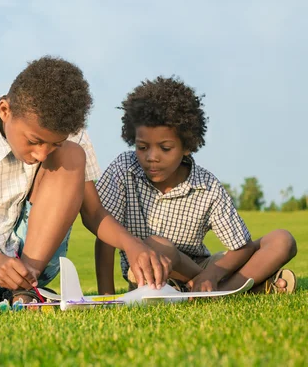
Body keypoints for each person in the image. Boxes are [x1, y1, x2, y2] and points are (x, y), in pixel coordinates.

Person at [0, 56, 170, 304]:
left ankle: (24, 288)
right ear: (5, 110)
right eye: (34, 141)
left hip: (35, 265)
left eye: (53, 144)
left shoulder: (72, 134)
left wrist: (132, 246)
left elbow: (93, 213)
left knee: (70, 153)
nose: (41, 154)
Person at [95, 76, 297, 294]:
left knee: (282, 240)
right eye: (142, 147)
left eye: (165, 148)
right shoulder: (124, 169)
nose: (152, 157)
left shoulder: (206, 185)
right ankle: (241, 289)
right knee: (157, 244)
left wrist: (212, 274)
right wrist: (107, 296)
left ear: (187, 146)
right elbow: (105, 236)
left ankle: (213, 289)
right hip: (149, 269)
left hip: (199, 268)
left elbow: (242, 247)